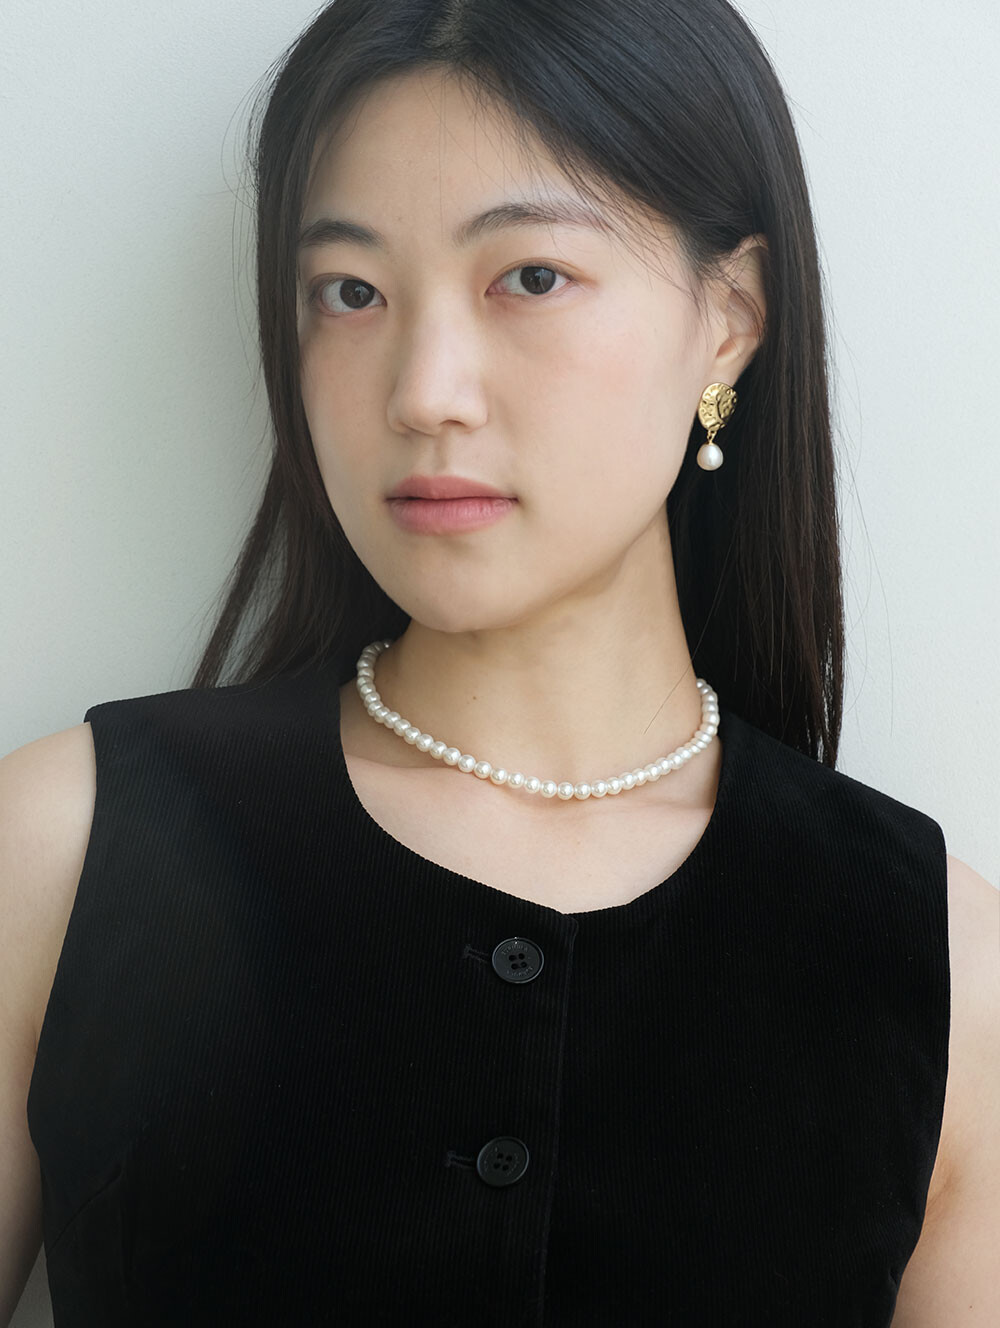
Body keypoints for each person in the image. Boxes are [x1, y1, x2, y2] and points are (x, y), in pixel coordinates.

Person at [1, 1, 997, 1324]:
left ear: (730, 320)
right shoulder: (63, 852)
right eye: (351, 292)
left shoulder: (940, 963)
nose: (425, 391)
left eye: (529, 277)